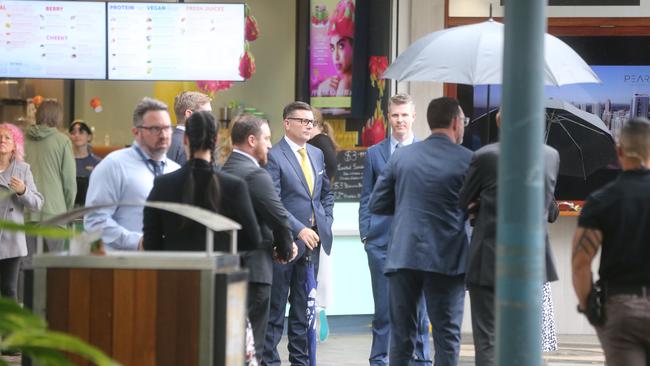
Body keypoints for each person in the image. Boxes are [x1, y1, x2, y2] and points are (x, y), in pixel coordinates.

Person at [369, 97, 471, 366]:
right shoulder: (468, 160)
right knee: (446, 336)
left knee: (401, 336)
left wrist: (406, 205)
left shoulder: (402, 156)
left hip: (403, 255)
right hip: (447, 260)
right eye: (463, 122)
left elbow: (377, 203)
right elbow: (478, 208)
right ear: (455, 123)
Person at [459, 110, 560, 366]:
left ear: (499, 124)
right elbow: (546, 207)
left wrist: (479, 205)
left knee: (488, 342)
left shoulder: (485, 156)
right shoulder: (550, 156)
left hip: (488, 260)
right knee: (527, 341)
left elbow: (462, 201)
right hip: (531, 263)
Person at [358, 93, 431, 366]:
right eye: (395, 115)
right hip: (381, 242)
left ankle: (420, 359)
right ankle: (379, 359)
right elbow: (366, 197)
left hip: (416, 243)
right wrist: (367, 232)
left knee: (418, 307)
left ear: (413, 117)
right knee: (384, 309)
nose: (400, 120)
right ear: (388, 117)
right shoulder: (374, 153)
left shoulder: (425, 151)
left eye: (404, 115)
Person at [572, 117, 650, 366]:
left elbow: (580, 264)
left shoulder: (601, 201)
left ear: (618, 152)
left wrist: (588, 307)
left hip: (621, 309)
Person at [263, 101, 335, 366]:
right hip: (284, 245)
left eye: (311, 122)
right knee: (276, 309)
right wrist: (299, 228)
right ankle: (270, 362)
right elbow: (275, 202)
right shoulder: (274, 155)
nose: (309, 126)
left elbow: (326, 193)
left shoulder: (316, 154)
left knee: (304, 311)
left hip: (313, 244)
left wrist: (324, 220)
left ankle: (301, 362)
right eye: (303, 121)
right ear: (287, 123)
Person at [222, 114, 297, 362]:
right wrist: (286, 249)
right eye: (266, 138)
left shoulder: (223, 171)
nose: (269, 144)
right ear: (251, 140)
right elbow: (279, 218)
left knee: (230, 343)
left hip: (227, 269)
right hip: (255, 270)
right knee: (254, 343)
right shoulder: (255, 175)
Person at [143, 110, 262, 253]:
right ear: (217, 139)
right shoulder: (234, 186)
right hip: (219, 271)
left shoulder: (163, 184)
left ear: (185, 139)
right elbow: (253, 240)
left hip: (175, 272)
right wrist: (224, 247)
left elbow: (150, 241)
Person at [84, 97, 180, 251]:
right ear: (136, 132)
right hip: (125, 267)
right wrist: (138, 242)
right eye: (155, 129)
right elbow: (95, 221)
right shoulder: (114, 165)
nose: (164, 135)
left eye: (167, 127)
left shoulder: (175, 170)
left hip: (167, 264)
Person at [24, 99, 76, 248]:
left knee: (28, 267)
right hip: (55, 213)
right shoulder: (62, 141)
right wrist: (68, 210)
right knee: (53, 268)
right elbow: (69, 182)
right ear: (57, 117)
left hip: (27, 212)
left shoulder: (22, 140)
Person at [0, 123, 43, 301]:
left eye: (7, 137)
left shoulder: (22, 169)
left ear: (14, 145)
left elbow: (37, 203)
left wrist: (23, 190)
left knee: (9, 290)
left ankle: (10, 329)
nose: (2, 140)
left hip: (11, 242)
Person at [317, 0, 354, 97]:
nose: (336, 56)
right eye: (332, 48)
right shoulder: (336, 83)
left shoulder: (346, 83)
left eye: (341, 46)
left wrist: (322, 91)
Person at [167, 91, 212, 165]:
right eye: (207, 113)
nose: (211, 118)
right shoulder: (189, 146)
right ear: (189, 114)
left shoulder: (168, 140)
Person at [68, 120, 101, 206]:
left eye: (81, 132)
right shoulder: (64, 162)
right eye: (73, 132)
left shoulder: (98, 163)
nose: (77, 135)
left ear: (89, 137)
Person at [308, 108, 338, 182]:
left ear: (314, 123)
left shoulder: (321, 140)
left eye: (305, 121)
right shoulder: (316, 139)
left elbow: (332, 166)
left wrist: (320, 187)